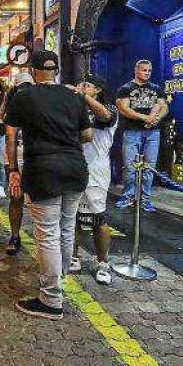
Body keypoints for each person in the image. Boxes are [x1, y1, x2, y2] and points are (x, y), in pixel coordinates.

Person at [5, 50, 94, 320]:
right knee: (65, 229)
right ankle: (59, 283)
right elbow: (88, 135)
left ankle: (51, 299)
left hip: (43, 170)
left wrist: (13, 169)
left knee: (47, 234)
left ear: (33, 71)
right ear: (56, 70)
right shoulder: (74, 96)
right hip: (75, 168)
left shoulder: (24, 96)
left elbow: (11, 136)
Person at [70, 75, 118, 285]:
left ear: (97, 89)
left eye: (86, 85)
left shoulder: (108, 109)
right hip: (73, 167)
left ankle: (103, 263)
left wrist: (82, 96)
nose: (81, 88)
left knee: (98, 219)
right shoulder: (76, 108)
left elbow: (105, 116)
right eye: (79, 85)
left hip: (96, 171)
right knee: (72, 217)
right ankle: (73, 256)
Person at [115, 59, 168, 212]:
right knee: (130, 167)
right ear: (136, 70)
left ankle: (145, 199)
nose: (147, 73)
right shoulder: (125, 88)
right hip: (132, 131)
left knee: (149, 167)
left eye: (149, 71)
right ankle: (128, 197)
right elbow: (124, 109)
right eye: (144, 70)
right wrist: (145, 118)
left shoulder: (156, 88)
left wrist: (156, 119)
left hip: (153, 132)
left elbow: (164, 107)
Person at [1, 72, 34, 256]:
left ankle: (43, 238)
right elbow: (8, 131)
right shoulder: (12, 105)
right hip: (17, 155)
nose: (24, 90)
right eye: (21, 87)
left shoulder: (39, 102)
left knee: (39, 200)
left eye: (28, 86)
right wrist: (13, 166)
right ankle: (15, 236)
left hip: (35, 155)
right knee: (16, 196)